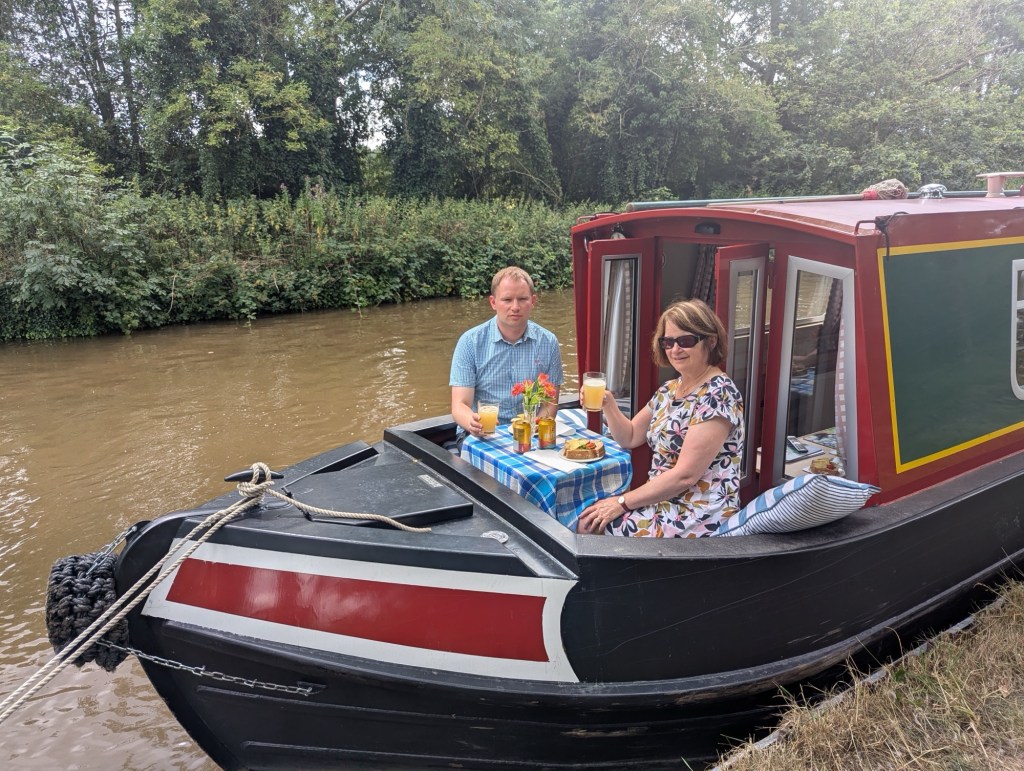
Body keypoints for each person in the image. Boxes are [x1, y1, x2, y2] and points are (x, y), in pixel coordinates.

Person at [577, 299, 744, 538]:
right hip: (663, 500)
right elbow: (631, 436)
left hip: (696, 513)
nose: (675, 350)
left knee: (589, 525)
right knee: (586, 513)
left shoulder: (718, 393)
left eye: (685, 341)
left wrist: (622, 502)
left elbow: (685, 475)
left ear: (711, 341)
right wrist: (608, 404)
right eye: (668, 341)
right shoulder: (670, 389)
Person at [450, 267, 564, 439]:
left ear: (533, 301)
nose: (515, 307)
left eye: (522, 299)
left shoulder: (549, 342)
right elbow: (460, 405)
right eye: (507, 300)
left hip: (530, 431)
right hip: (482, 434)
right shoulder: (470, 342)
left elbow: (549, 404)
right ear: (493, 302)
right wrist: (472, 422)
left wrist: (530, 431)